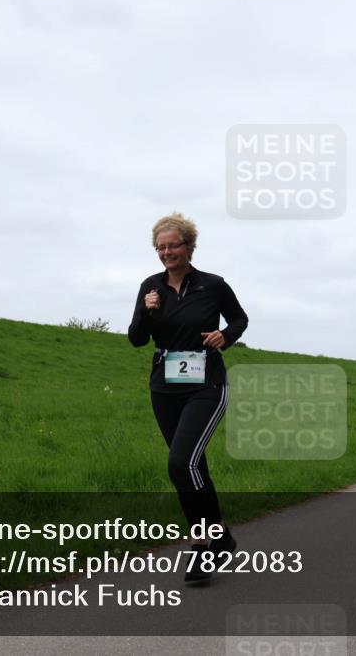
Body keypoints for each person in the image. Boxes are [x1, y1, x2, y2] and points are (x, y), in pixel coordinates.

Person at [128, 212, 249, 583]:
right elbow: (135, 338)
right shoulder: (151, 287)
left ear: (189, 246)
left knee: (181, 463)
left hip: (206, 383)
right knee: (193, 466)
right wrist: (148, 313)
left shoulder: (213, 285)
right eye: (161, 247)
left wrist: (224, 336)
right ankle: (221, 537)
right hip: (164, 387)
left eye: (173, 245)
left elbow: (240, 319)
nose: (167, 252)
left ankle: (202, 547)